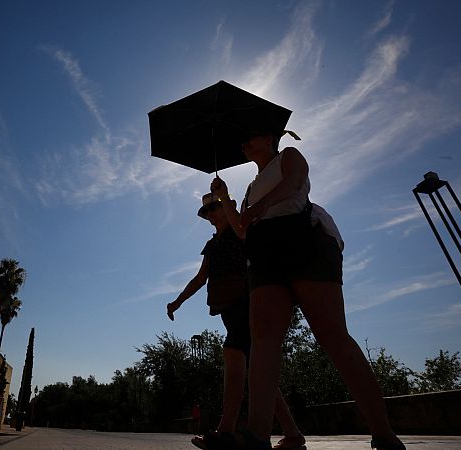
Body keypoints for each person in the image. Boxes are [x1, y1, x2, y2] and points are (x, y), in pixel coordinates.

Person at [210, 129, 405, 450]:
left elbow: (294, 183)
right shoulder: (249, 188)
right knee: (263, 339)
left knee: (332, 336)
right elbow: (242, 229)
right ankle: (257, 434)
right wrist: (224, 198)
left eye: (252, 135)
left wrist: (260, 208)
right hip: (264, 253)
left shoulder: (288, 156)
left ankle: (384, 434)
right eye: (242, 138)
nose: (245, 142)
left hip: (304, 241)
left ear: (271, 137)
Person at [167, 192, 306, 450]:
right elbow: (200, 279)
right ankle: (293, 435)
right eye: (206, 211)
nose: (210, 215)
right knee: (259, 374)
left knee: (232, 352)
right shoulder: (212, 245)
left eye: (214, 208)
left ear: (227, 206)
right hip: (228, 310)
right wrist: (178, 301)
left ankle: (225, 430)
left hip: (247, 302)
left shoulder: (242, 231)